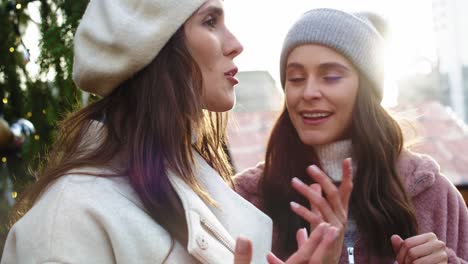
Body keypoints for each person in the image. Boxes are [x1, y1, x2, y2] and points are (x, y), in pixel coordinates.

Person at [1, 1, 342, 263]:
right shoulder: (70, 219)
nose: (235, 43)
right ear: (152, 43)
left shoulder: (193, 186)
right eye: (210, 21)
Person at [234, 8, 468, 264]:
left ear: (366, 89)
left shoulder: (432, 193)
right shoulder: (246, 200)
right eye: (296, 78)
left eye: (331, 77)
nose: (309, 92)